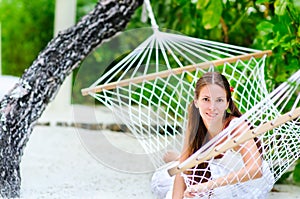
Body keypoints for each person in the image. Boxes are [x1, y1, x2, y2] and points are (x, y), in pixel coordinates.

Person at [151, 72, 274, 199]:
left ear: (227, 103)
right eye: (206, 99)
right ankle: (178, 158)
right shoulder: (196, 124)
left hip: (245, 183)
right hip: (214, 172)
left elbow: (255, 170)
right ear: (196, 102)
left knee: (203, 193)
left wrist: (206, 186)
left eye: (219, 100)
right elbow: (183, 168)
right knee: (165, 180)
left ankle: (178, 158)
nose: (212, 107)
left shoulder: (236, 127)